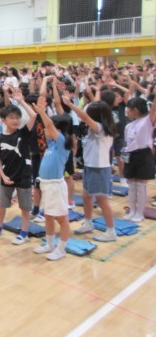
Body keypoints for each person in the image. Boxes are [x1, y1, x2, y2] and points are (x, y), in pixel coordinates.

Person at [61, 97, 117, 242]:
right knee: (86, 197)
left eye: (90, 114)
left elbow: (84, 117)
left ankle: (111, 231)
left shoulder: (101, 128)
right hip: (90, 166)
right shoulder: (94, 128)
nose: (86, 116)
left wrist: (69, 104)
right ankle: (88, 223)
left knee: (102, 201)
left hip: (99, 168)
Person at [0, 88, 37, 245]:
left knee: (25, 207)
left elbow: (33, 115)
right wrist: (2, 175)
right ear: (3, 120)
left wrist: (21, 100)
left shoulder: (22, 133)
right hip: (7, 175)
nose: (15, 120)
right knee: (2, 205)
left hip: (23, 175)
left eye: (17, 117)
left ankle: (24, 233)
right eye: (11, 117)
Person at [31, 97, 72, 261]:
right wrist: (41, 112)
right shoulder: (51, 144)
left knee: (62, 219)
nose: (44, 130)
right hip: (46, 185)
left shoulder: (61, 143)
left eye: (49, 128)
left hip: (56, 186)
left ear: (58, 130)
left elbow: (49, 125)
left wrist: (42, 112)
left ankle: (61, 249)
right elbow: (47, 126)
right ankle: (49, 244)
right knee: (48, 215)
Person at [121, 96, 156, 222]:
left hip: (143, 155)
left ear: (135, 110)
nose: (126, 111)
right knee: (131, 185)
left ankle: (139, 213)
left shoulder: (147, 121)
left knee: (141, 186)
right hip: (130, 155)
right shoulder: (129, 126)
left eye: (128, 109)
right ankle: (132, 211)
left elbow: (154, 109)